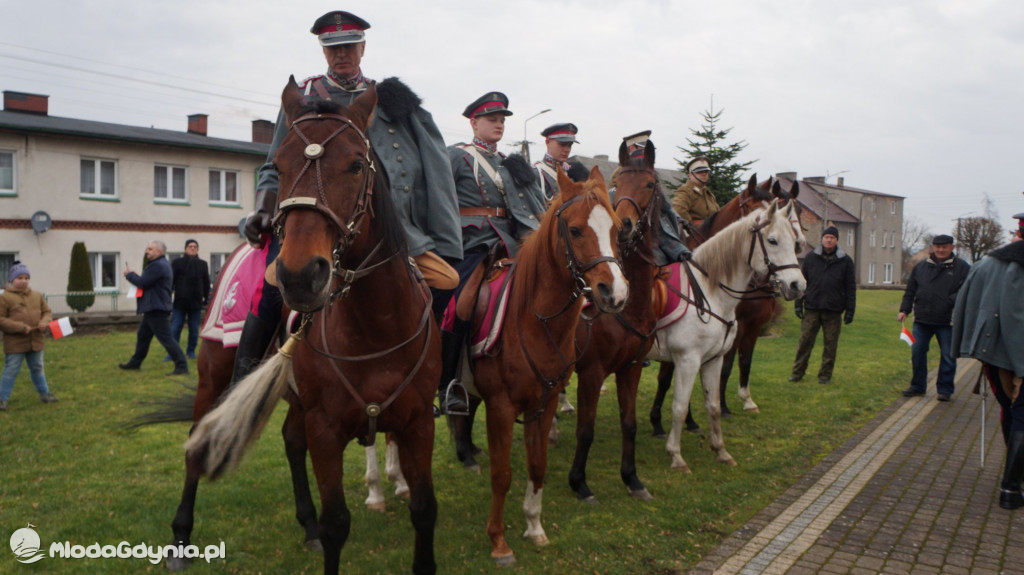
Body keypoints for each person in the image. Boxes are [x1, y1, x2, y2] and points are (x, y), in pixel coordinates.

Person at [239, 10, 462, 384]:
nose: (341, 54)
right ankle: (242, 379)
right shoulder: (304, 97)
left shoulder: (393, 102)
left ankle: (432, 374)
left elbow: (436, 175)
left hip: (393, 230)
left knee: (447, 281)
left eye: (348, 46)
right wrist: (262, 207)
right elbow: (272, 163)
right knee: (270, 288)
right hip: (315, 222)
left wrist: (445, 237)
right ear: (324, 52)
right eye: (332, 48)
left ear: (362, 48)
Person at [440, 91, 547, 413]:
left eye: (502, 120)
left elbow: (528, 207)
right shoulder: (457, 156)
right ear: (474, 122)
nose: (498, 125)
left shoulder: (509, 163)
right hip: (470, 242)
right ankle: (448, 384)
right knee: (459, 304)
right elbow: (440, 201)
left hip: (510, 241)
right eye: (492, 119)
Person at [951, 216, 1024, 509]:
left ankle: (1014, 480)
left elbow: (965, 304)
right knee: (1021, 416)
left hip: (993, 353)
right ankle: (1011, 487)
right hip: (1010, 356)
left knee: (1010, 410)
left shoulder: (988, 264)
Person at [898, 234, 970, 401]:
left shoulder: (962, 268)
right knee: (917, 352)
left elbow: (967, 291)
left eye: (944, 247)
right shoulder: (921, 267)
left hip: (947, 320)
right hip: (922, 319)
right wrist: (904, 310)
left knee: (948, 355)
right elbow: (910, 291)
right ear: (933, 247)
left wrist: (949, 301)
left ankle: (944, 389)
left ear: (952, 247)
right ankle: (917, 386)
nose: (940, 250)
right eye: (937, 246)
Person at [789, 226, 856, 385]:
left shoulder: (845, 261)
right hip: (812, 308)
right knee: (804, 343)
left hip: (833, 310)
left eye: (832, 238)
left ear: (837, 240)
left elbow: (850, 287)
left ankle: (825, 375)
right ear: (822, 239)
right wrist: (798, 304)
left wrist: (850, 311)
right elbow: (802, 282)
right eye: (826, 237)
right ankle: (797, 372)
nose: (829, 240)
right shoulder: (811, 258)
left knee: (830, 346)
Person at [118, 241, 189, 376]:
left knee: (167, 339)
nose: (147, 251)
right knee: (143, 336)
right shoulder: (159, 265)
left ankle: (181, 365)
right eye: (147, 248)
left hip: (156, 308)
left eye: (150, 249)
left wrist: (129, 275)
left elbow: (142, 282)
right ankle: (135, 362)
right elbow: (146, 281)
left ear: (159, 252)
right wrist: (134, 276)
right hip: (154, 307)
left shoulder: (158, 266)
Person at [0, 261, 59, 411]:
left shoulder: (37, 295)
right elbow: (1, 319)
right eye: (20, 278)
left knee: (38, 367)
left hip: (36, 340)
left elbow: (47, 312)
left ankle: (44, 394)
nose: (24, 281)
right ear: (12, 280)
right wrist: (20, 327)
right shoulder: (5, 298)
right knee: (11, 370)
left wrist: (44, 322)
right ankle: (2, 399)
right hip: (15, 343)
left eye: (26, 278)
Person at [166, 239, 209, 361]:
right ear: (185, 248)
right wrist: (167, 299)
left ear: (198, 249)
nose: (193, 248)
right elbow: (171, 283)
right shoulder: (177, 263)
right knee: (175, 328)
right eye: (190, 246)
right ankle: (172, 353)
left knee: (194, 329)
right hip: (180, 302)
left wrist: (206, 299)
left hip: (196, 303)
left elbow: (206, 283)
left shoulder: (203, 264)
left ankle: (191, 352)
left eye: (195, 246)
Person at [534, 123, 579, 201]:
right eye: (562, 144)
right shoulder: (536, 174)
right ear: (547, 142)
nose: (567, 150)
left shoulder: (573, 175)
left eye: (570, 145)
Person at [672, 155, 719, 226]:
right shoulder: (685, 191)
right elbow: (679, 211)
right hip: (694, 234)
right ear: (691, 175)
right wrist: (692, 228)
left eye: (706, 171)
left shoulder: (708, 193)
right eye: (699, 171)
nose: (704, 174)